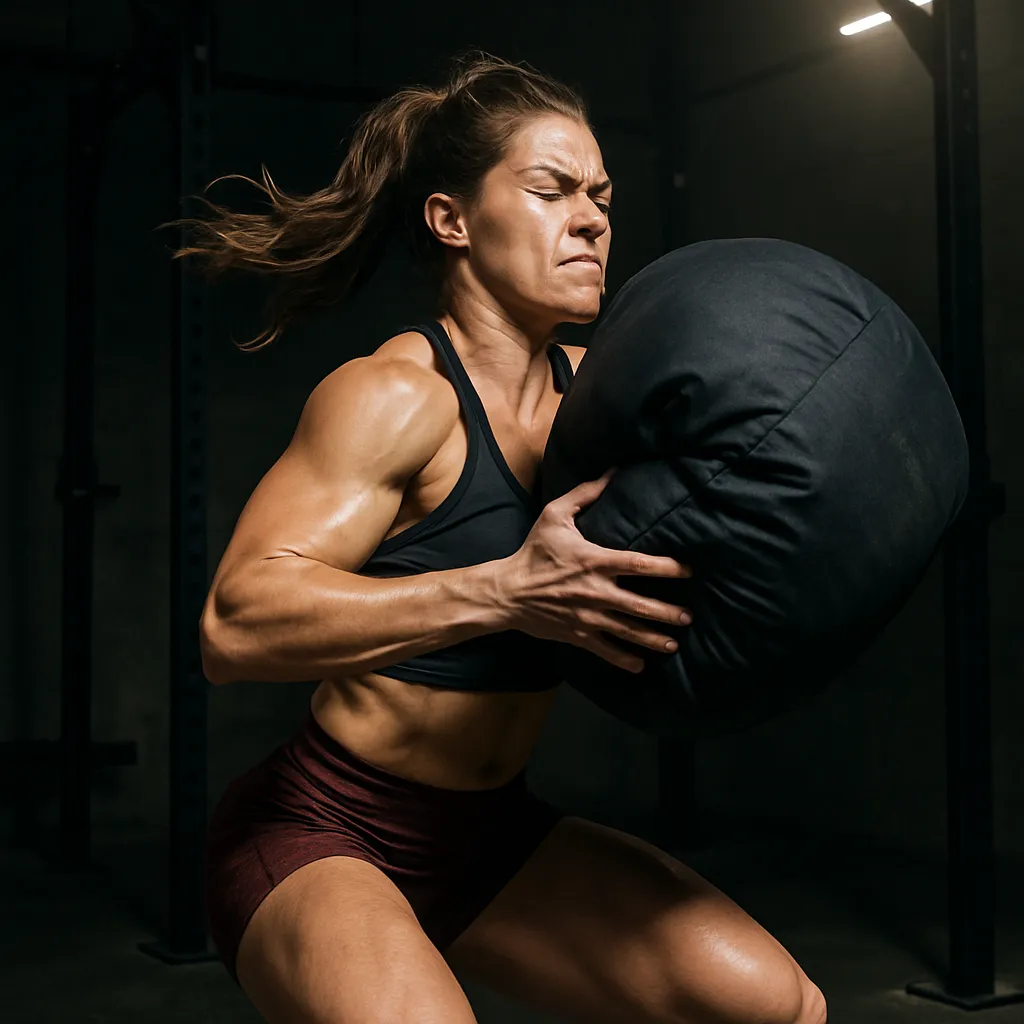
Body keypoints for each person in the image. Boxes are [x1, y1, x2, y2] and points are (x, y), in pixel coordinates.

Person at [183, 52, 827, 1024]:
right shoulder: (399, 398)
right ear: (452, 220)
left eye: (600, 193)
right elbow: (234, 628)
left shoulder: (604, 396)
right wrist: (504, 590)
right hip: (322, 827)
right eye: (549, 188)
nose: (592, 217)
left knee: (776, 1005)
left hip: (490, 836)